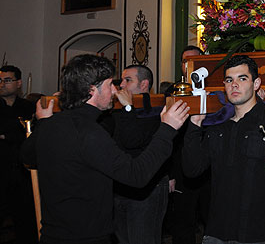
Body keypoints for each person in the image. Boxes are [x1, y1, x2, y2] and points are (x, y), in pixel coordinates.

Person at [20, 54, 189, 244]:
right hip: (86, 238)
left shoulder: (51, 124)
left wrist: (42, 123)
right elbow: (136, 175)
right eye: (110, 84)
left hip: (52, 235)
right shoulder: (90, 132)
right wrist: (167, 130)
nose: (115, 90)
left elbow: (27, 156)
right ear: (92, 89)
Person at [182, 55, 265, 243]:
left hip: (255, 235)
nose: (234, 85)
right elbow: (192, 169)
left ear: (256, 84)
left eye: (242, 78)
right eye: (229, 80)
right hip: (215, 233)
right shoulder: (218, 126)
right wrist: (195, 125)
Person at [110, 64, 170, 244]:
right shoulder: (117, 108)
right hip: (120, 186)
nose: (122, 85)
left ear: (144, 84)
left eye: (128, 80)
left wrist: (128, 108)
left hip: (147, 189)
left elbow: (132, 140)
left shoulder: (155, 109)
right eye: (122, 80)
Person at [170, 45, 211, 244]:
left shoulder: (215, 91)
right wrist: (170, 174)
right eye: (187, 61)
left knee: (212, 218)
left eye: (196, 61)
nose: (191, 66)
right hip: (181, 168)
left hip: (210, 167)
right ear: (181, 66)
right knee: (183, 222)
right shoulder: (174, 91)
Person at [0, 65, 38, 243]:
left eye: (7, 80)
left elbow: (33, 135)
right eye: (0, 80)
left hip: (22, 173)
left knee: (25, 223)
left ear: (19, 83)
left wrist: (6, 135)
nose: (2, 84)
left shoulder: (28, 107)